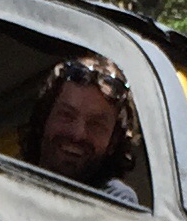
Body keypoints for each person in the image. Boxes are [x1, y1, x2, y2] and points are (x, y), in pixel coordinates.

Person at [25, 57, 142, 203]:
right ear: (44, 118)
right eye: (67, 115)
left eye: (96, 124)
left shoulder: (115, 199)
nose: (78, 134)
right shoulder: (6, 180)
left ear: (113, 141)